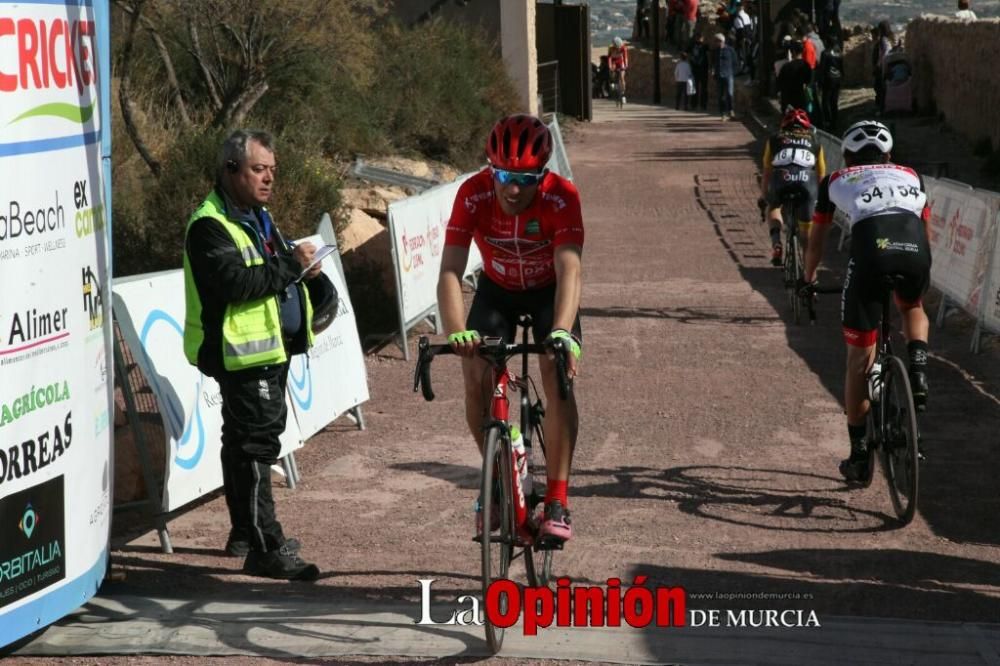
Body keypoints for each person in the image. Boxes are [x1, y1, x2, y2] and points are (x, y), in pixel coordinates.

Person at [183, 129, 326, 581]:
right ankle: (266, 545)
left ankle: (244, 534)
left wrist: (306, 270)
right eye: (258, 170)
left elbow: (272, 270)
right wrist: (291, 265)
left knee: (241, 443)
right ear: (231, 171)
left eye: (272, 171)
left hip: (264, 350)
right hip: (240, 354)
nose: (269, 179)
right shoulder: (209, 225)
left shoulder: (257, 216)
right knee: (255, 449)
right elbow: (237, 284)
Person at [437, 114, 584, 547]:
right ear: (490, 168)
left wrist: (561, 330)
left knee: (557, 372)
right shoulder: (473, 193)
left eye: (525, 178)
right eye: (503, 175)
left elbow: (570, 268)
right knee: (474, 373)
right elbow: (450, 269)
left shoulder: (562, 197)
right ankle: (498, 479)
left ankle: (557, 498)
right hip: (496, 291)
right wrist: (455, 330)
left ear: (543, 174)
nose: (512, 188)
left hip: (547, 293)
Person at [802, 121, 931, 483]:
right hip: (915, 251)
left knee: (859, 360)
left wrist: (808, 279)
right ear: (889, 155)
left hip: (872, 256)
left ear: (846, 155)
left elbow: (816, 242)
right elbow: (925, 225)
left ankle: (859, 456)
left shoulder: (836, 181)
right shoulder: (910, 174)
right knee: (912, 307)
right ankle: (918, 369)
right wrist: (920, 269)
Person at [761, 107, 826, 266]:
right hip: (806, 182)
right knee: (806, 234)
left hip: (781, 179)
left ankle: (777, 242)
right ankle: (808, 274)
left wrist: (764, 196)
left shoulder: (774, 138)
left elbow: (767, 171)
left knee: (774, 207)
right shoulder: (815, 141)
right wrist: (821, 198)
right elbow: (821, 174)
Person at [776, 40, 812, 116]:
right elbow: (808, 81)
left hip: (788, 99)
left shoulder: (786, 66)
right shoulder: (806, 65)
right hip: (801, 97)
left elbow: (779, 82)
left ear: (793, 52)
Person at [818, 38, 844, 128]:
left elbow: (822, 68)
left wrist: (820, 81)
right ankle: (834, 121)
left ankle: (827, 120)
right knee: (834, 101)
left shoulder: (825, 53)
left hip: (828, 79)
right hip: (837, 78)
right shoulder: (839, 53)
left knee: (825, 101)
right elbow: (841, 67)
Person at [712, 33, 738, 120]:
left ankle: (731, 110)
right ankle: (723, 113)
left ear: (721, 41)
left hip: (728, 75)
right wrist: (713, 71)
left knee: (729, 94)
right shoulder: (715, 51)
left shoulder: (730, 50)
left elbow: (735, 62)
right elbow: (713, 62)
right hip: (719, 76)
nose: (715, 43)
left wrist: (733, 73)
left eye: (717, 41)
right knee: (720, 96)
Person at [873, 21, 894, 114]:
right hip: (888, 66)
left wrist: (879, 66)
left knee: (881, 89)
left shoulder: (883, 41)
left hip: (883, 67)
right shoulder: (890, 39)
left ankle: (882, 109)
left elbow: (883, 55)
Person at [689, 33, 711, 111]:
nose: (699, 40)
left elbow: (709, 54)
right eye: (698, 38)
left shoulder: (705, 46)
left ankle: (703, 105)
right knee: (695, 88)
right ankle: (694, 104)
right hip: (695, 69)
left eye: (700, 38)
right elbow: (687, 53)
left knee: (703, 88)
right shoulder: (692, 45)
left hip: (703, 69)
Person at [609, 36, 629, 104]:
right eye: (616, 47)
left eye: (619, 47)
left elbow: (625, 57)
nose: (618, 48)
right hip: (614, 62)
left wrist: (626, 65)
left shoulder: (624, 48)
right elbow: (609, 58)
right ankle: (613, 82)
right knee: (612, 71)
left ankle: (623, 94)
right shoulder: (611, 48)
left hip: (621, 62)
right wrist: (610, 66)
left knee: (622, 77)